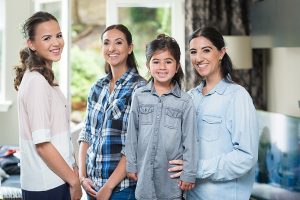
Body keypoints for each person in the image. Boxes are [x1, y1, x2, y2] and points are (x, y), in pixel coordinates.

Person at [168, 26, 259, 200]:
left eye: (206, 50)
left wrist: (195, 168)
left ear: (221, 53)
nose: (199, 58)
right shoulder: (190, 98)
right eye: (193, 52)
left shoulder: (237, 96)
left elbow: (246, 157)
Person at [13, 11, 82, 200]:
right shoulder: (36, 82)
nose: (56, 43)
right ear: (32, 44)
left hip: (57, 178)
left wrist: (73, 166)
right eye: (46, 38)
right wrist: (74, 181)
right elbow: (42, 144)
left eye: (58, 35)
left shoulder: (44, 78)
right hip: (48, 184)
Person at [125, 34, 198, 200]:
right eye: (156, 61)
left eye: (168, 61)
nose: (162, 67)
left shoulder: (185, 102)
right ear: (148, 65)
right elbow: (132, 134)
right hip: (143, 182)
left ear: (177, 66)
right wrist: (131, 164)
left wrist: (189, 173)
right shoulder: (139, 96)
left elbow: (191, 141)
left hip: (172, 184)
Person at [78, 24, 146, 200]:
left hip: (121, 189)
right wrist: (82, 176)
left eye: (118, 42)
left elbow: (135, 145)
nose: (112, 48)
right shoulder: (97, 87)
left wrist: (108, 188)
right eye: (106, 43)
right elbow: (86, 134)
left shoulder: (140, 88)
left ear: (130, 48)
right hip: (91, 186)